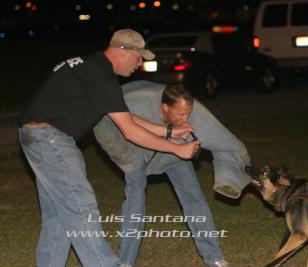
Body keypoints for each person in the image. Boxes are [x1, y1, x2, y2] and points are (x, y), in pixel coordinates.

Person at [18, 29, 199, 267]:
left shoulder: (91, 67)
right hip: (51, 139)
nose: (140, 64)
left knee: (59, 216)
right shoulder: (100, 73)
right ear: (124, 51)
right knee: (82, 208)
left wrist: (168, 131)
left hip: (36, 135)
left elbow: (126, 118)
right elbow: (130, 131)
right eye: (139, 57)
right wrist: (176, 149)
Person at [94, 81, 252, 267]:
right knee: (135, 198)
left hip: (172, 150)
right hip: (130, 146)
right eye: (181, 114)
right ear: (165, 108)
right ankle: (125, 261)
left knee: (194, 197)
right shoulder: (137, 102)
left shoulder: (192, 113)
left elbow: (227, 143)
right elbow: (117, 120)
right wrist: (170, 137)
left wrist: (236, 171)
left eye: (189, 114)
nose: (187, 119)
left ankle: (214, 257)